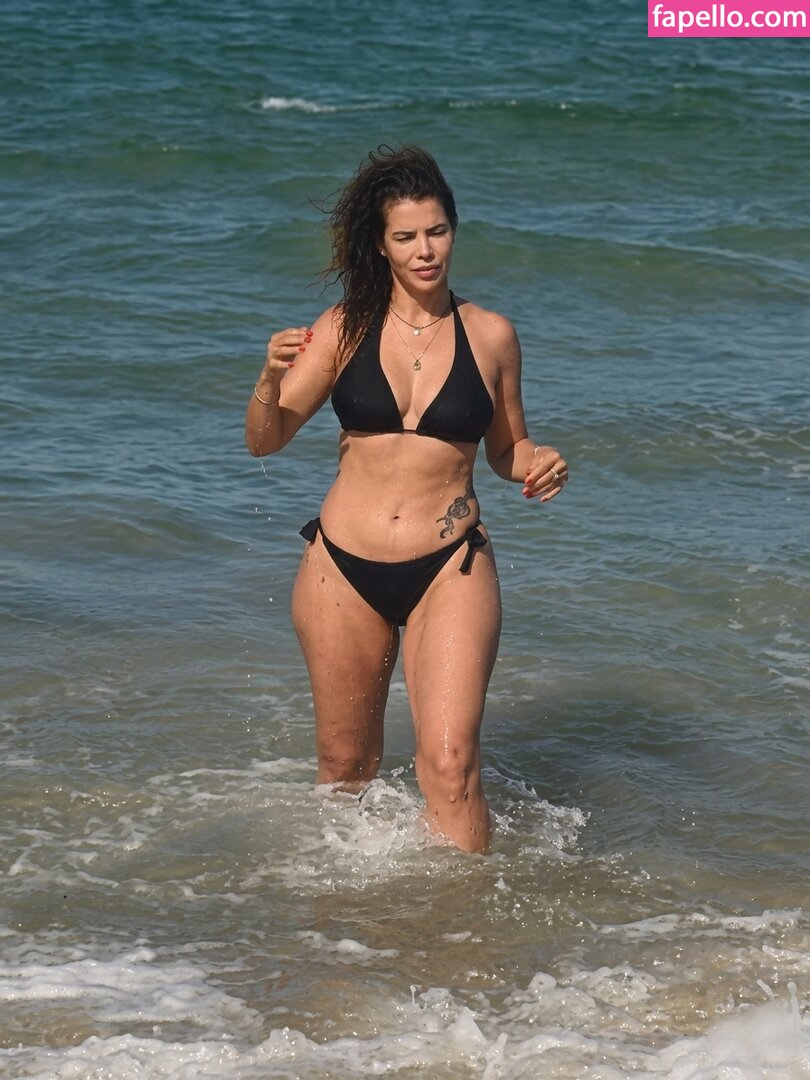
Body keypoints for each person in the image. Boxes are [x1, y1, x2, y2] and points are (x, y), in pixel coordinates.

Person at [245, 146, 567, 854]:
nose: (425, 251)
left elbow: (508, 450)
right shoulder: (343, 328)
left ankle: (468, 916)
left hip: (450, 564)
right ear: (380, 245)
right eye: (406, 237)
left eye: (437, 231)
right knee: (345, 768)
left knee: (452, 767)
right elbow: (265, 440)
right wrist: (267, 380)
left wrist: (539, 462)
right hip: (341, 569)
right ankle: (342, 918)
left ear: (454, 230)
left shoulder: (491, 335)